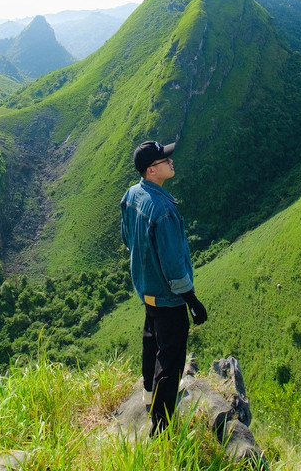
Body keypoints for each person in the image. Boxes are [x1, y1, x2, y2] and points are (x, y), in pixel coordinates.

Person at [119, 139, 208, 436]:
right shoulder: (163, 211)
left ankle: (147, 394)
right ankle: (162, 428)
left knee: (151, 340)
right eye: (165, 160)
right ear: (151, 170)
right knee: (170, 358)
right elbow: (172, 264)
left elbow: (126, 237)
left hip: (146, 287)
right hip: (167, 295)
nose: (171, 162)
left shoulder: (131, 195)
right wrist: (192, 300)